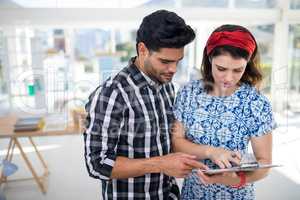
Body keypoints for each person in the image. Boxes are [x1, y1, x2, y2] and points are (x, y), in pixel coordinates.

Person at [83, 10, 208, 200]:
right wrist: (160, 164)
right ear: (142, 50)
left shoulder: (166, 87)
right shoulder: (112, 94)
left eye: (178, 61)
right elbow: (97, 164)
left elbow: (166, 144)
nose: (173, 69)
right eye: (165, 61)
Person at [172, 24, 276, 200]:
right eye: (221, 69)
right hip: (192, 194)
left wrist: (237, 179)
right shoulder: (188, 93)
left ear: (248, 64)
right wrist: (211, 151)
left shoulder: (256, 103)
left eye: (238, 70)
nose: (228, 78)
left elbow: (264, 164)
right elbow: (176, 142)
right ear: (210, 59)